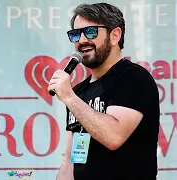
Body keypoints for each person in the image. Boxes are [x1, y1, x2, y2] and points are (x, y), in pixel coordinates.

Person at [48, 3, 160, 180]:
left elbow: (113, 137)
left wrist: (69, 97)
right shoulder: (78, 92)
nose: (82, 40)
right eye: (76, 34)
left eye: (91, 32)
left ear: (115, 35)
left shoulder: (134, 78)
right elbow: (72, 158)